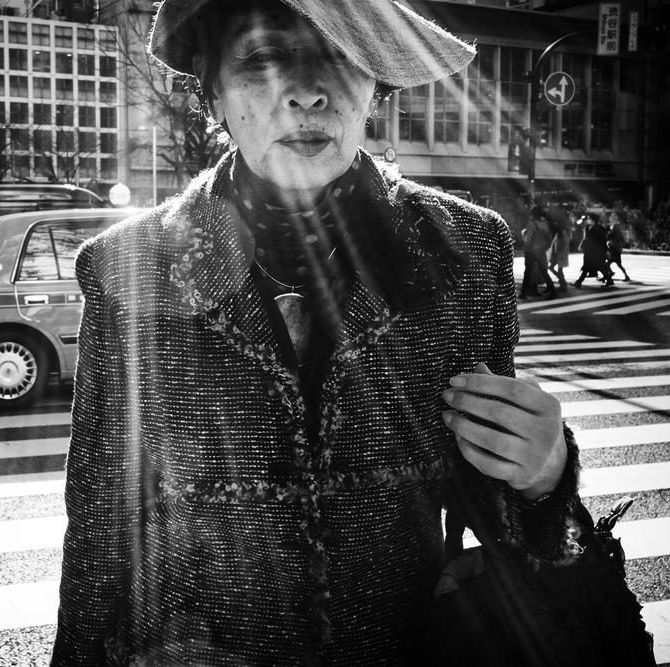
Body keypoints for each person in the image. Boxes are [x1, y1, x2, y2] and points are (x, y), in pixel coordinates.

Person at [51, 1, 588, 665]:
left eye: (339, 53)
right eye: (261, 58)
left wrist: (544, 473)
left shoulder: (465, 252)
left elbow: (498, 512)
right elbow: (100, 531)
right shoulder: (126, 269)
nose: (306, 89)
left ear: (377, 85)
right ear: (211, 91)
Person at [518, 206, 557, 300]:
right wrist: (544, 248)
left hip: (531, 251)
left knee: (527, 272)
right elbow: (549, 239)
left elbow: (529, 238)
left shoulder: (531, 224)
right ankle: (553, 291)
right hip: (541, 251)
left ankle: (523, 293)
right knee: (544, 272)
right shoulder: (545, 224)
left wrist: (526, 248)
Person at [574, 213, 615, 288]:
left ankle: (579, 282)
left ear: (593, 220)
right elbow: (585, 239)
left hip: (596, 252)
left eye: (589, 218)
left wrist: (606, 250)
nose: (588, 220)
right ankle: (609, 280)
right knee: (598, 267)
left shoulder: (597, 228)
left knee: (589, 267)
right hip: (589, 251)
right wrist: (582, 246)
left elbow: (602, 240)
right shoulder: (588, 228)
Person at [548, 210, 572, 292]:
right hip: (557, 253)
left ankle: (563, 283)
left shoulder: (562, 232)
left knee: (558, 269)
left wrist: (561, 254)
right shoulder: (560, 231)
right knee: (553, 268)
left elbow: (564, 244)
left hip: (560, 254)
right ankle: (562, 282)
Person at [607, 213, 631, 281]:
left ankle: (609, 275)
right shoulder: (617, 230)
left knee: (608, 264)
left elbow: (615, 240)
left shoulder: (615, 230)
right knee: (618, 264)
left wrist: (610, 243)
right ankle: (626, 276)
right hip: (616, 249)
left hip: (615, 250)